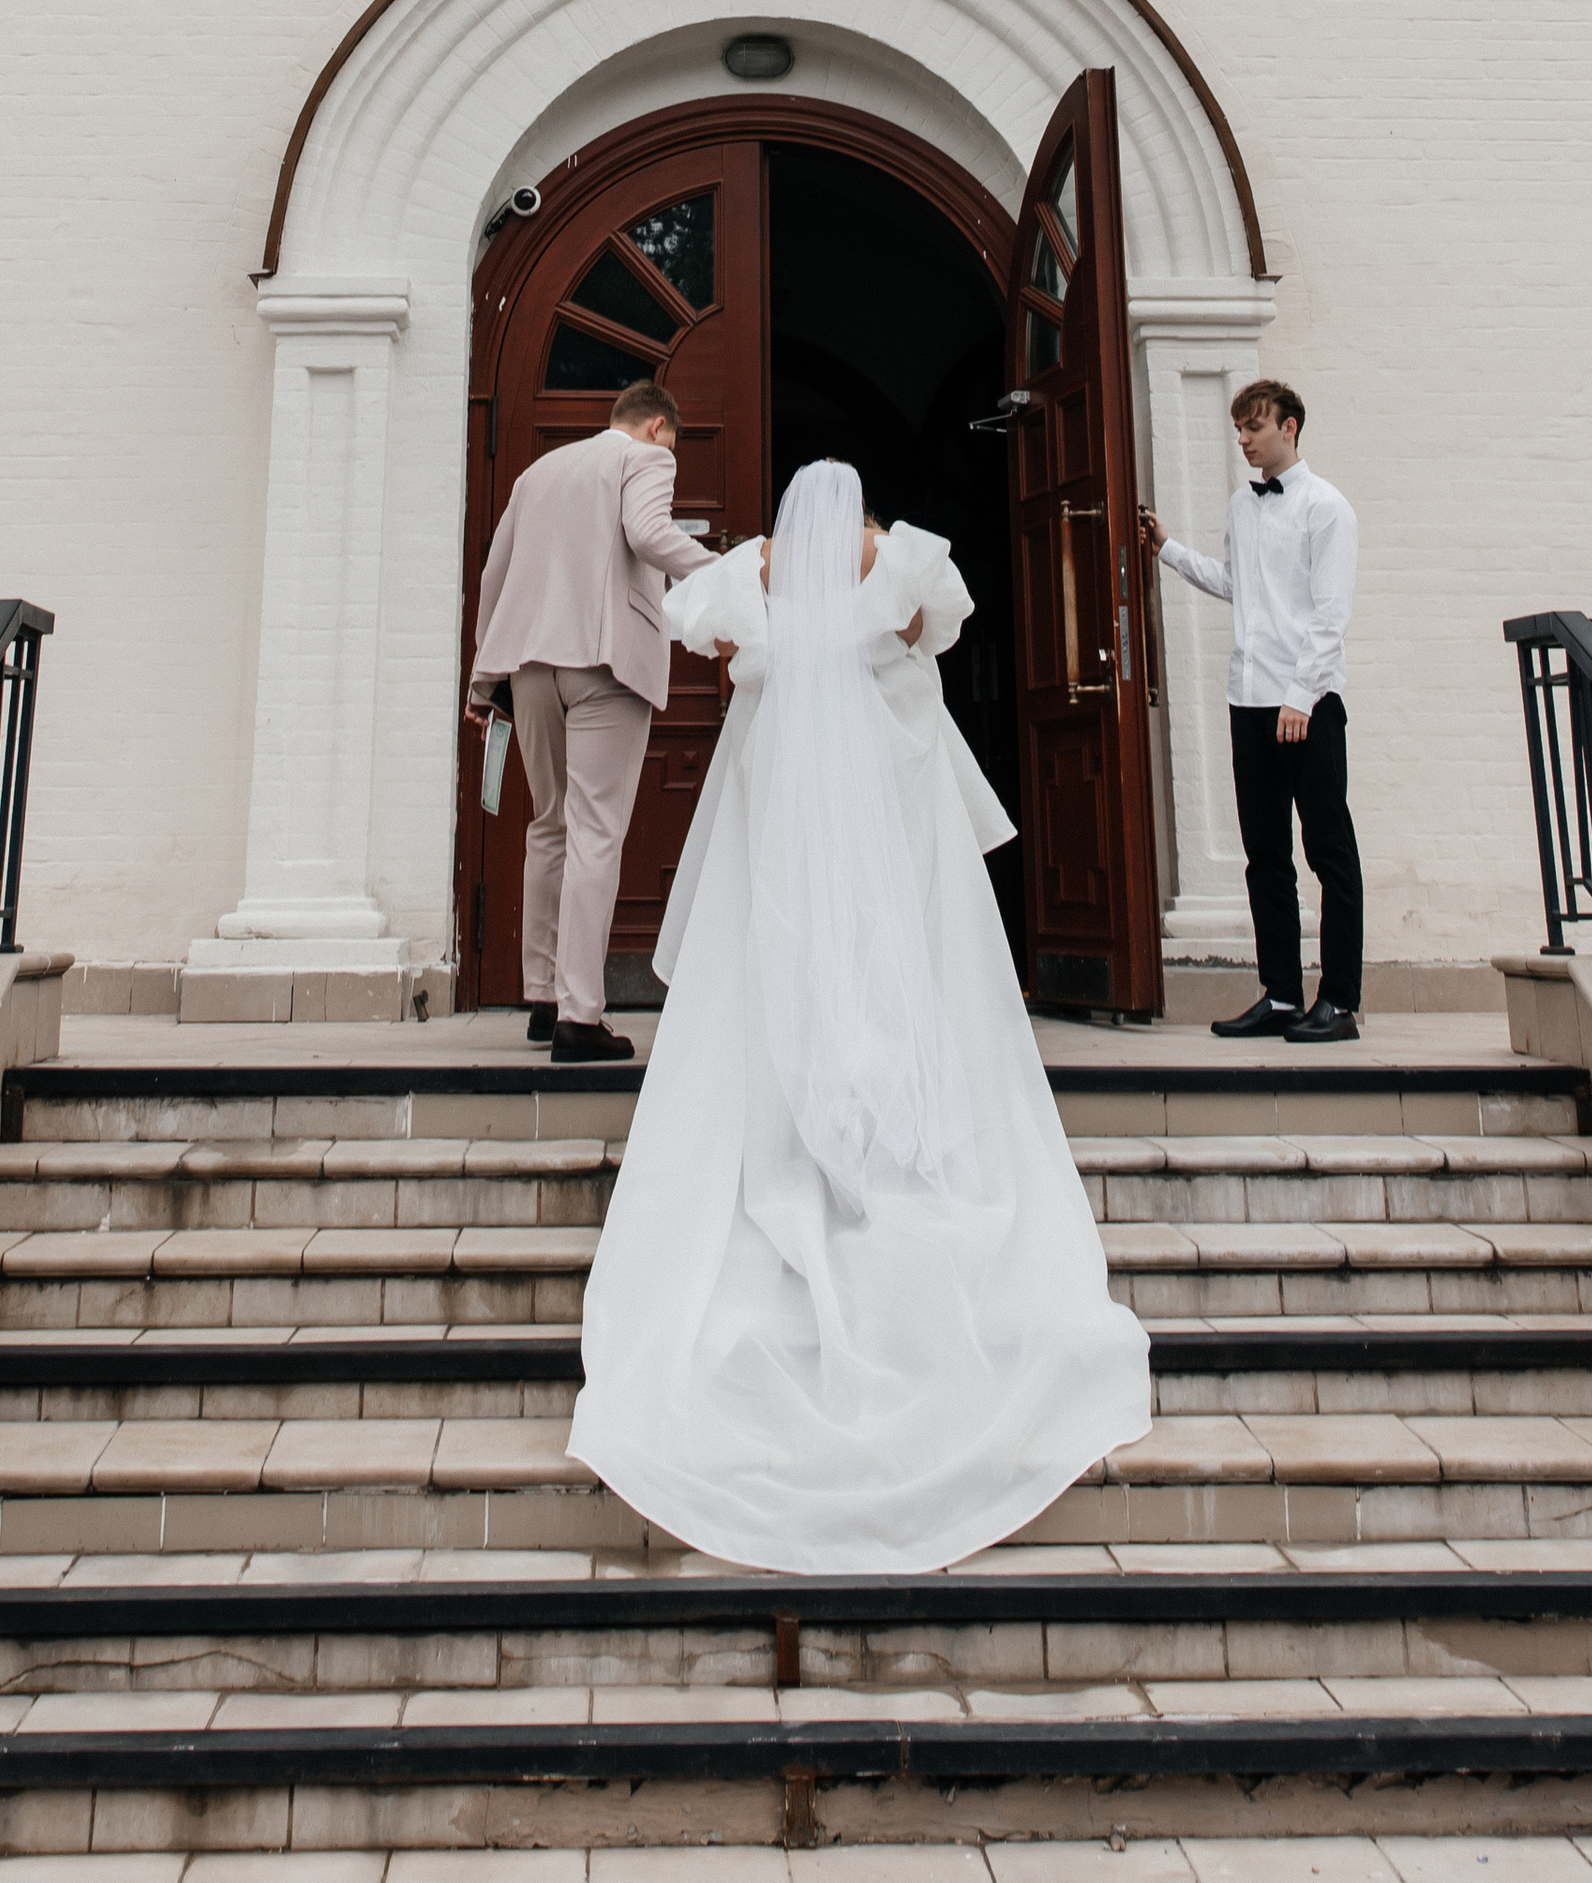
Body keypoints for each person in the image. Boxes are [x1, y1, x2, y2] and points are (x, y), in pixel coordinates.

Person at [570, 459, 1151, 1570]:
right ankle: (891, 1141)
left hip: (787, 822)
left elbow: (711, 640)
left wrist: (768, 653)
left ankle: (797, 1143)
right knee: (899, 979)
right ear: (865, 510)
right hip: (892, 813)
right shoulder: (906, 558)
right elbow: (938, 629)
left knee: (786, 975)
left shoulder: (753, 571)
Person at [466, 381, 717, 1062]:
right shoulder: (646, 458)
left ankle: (543, 999)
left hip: (528, 664)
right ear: (658, 427)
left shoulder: (538, 472)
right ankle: (580, 1017)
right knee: (596, 833)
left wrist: (484, 680)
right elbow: (650, 533)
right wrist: (725, 573)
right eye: (673, 444)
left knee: (549, 825)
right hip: (604, 663)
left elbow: (495, 574)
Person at [1138, 379, 1364, 1045]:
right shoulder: (1243, 504)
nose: (1242, 440)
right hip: (1249, 700)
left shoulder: (1328, 508)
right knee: (1264, 855)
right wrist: (1169, 549)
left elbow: (1330, 614)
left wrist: (1300, 696)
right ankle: (1283, 996)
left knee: (1328, 851)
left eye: (1253, 428)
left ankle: (1340, 1002)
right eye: (1238, 428)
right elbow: (1239, 586)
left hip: (1307, 705)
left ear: (1288, 428)